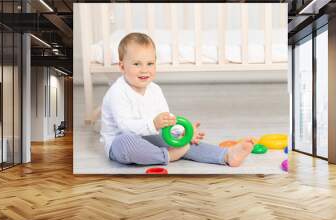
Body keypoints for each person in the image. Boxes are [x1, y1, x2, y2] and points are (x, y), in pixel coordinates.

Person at [100, 32, 254, 167]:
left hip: (151, 138)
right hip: (120, 141)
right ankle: (168, 156)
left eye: (150, 63)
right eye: (136, 64)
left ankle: (226, 155)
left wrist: (183, 132)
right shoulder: (118, 92)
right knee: (125, 144)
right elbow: (126, 127)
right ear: (122, 67)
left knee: (180, 141)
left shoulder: (155, 89)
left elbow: (167, 122)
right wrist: (153, 124)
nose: (144, 69)